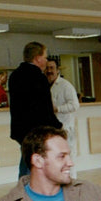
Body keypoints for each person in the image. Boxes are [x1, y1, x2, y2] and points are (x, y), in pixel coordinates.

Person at [9, 41, 62, 178]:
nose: (46, 60)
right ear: (37, 58)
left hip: (20, 129)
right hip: (36, 130)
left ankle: (24, 190)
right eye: (44, 57)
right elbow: (45, 107)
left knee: (27, 160)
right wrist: (56, 127)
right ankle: (26, 193)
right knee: (32, 164)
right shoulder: (38, 77)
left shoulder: (14, 76)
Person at [46, 57, 81, 178]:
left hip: (66, 129)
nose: (49, 71)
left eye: (52, 68)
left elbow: (75, 105)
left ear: (57, 70)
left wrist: (58, 109)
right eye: (47, 68)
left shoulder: (65, 86)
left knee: (68, 159)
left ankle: (72, 185)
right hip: (52, 130)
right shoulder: (45, 85)